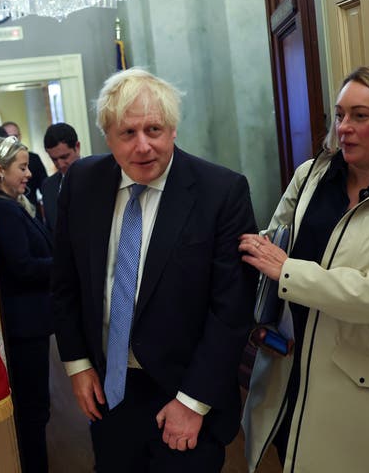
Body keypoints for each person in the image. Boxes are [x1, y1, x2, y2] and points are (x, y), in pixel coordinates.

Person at [239, 64, 369, 473]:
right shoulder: (310, 177)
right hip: (288, 372)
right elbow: (274, 243)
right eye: (339, 115)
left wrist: (288, 273)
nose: (344, 128)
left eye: (360, 116)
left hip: (360, 392)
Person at [52, 68, 258, 472]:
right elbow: (65, 282)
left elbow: (230, 311)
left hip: (185, 393)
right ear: (107, 137)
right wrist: (77, 365)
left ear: (173, 130)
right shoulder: (82, 182)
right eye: (128, 133)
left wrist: (192, 401)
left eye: (154, 130)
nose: (143, 146)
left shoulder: (221, 191)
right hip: (110, 392)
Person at [0, 136, 54, 472]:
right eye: (21, 167)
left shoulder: (13, 206)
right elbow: (23, 268)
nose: (28, 174)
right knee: (32, 409)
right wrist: (67, 264)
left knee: (37, 407)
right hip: (24, 326)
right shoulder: (2, 209)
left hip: (31, 324)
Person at [42, 122, 81, 231]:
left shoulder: (98, 176)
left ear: (77, 147)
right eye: (54, 159)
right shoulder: (48, 186)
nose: (60, 164)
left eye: (64, 157)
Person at [2, 121, 48, 215]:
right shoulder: (1, 164)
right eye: (8, 138)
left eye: (15, 136)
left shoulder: (34, 159)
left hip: (34, 212)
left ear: (20, 136)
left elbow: (46, 189)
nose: (13, 141)